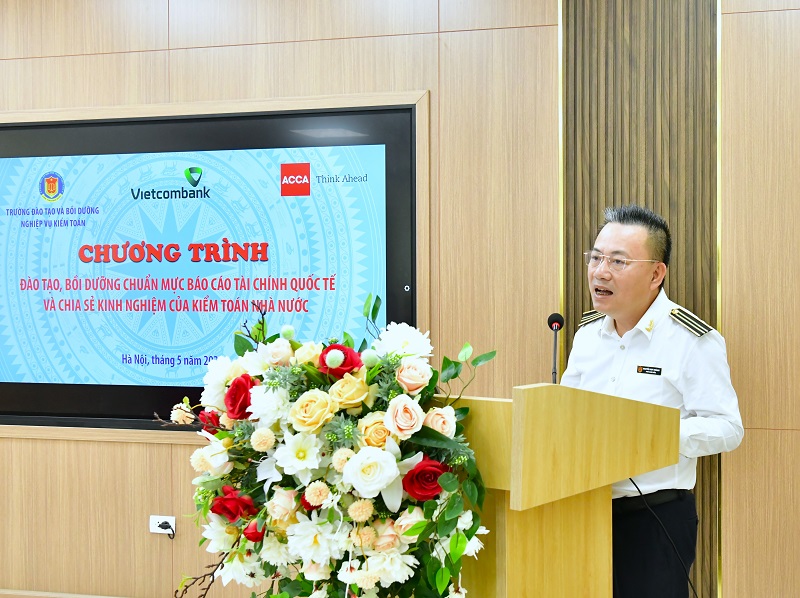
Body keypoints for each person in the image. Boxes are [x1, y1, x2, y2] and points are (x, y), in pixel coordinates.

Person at [561, 205, 743, 598]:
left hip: (654, 519)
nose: (600, 272)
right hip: (581, 512)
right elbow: (565, 413)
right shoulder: (586, 335)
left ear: (656, 274)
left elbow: (728, 427)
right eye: (596, 257)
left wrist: (650, 435)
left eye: (618, 261)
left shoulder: (691, 339)